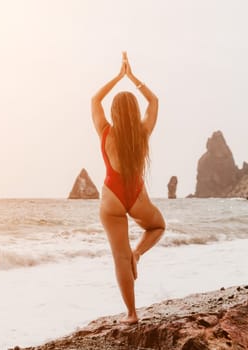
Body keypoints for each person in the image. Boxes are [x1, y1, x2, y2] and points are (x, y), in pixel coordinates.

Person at [91, 52, 166, 324]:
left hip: (111, 196)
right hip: (136, 195)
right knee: (158, 227)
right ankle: (138, 252)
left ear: (113, 112)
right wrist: (132, 78)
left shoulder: (105, 131)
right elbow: (154, 100)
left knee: (119, 258)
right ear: (135, 112)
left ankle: (132, 314)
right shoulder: (143, 132)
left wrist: (117, 76)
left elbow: (95, 99)